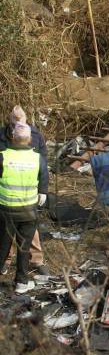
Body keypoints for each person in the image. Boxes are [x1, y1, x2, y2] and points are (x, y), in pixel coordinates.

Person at [0, 106, 49, 282]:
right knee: (5, 236)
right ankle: (7, 262)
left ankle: (36, 260)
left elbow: (43, 160)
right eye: (14, 122)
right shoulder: (2, 135)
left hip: (28, 195)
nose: (17, 126)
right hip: (7, 197)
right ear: (9, 120)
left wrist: (42, 190)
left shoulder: (35, 135)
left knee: (28, 234)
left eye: (21, 121)